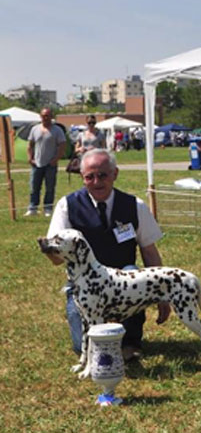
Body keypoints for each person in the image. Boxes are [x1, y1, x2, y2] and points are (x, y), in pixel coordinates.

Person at [46, 148, 170, 360]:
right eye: (89, 177)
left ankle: (130, 342)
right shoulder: (67, 206)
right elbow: (56, 261)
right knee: (81, 347)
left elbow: (149, 252)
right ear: (82, 177)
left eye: (102, 175)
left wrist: (163, 292)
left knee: (133, 272)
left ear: (115, 174)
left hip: (125, 282)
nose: (96, 182)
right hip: (84, 285)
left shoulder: (135, 206)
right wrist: (50, 250)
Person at [26, 108, 66, 217]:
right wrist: (30, 158)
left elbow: (62, 145)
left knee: (50, 187)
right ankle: (32, 208)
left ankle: (48, 208)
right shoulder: (35, 129)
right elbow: (30, 145)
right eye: (44, 116)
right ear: (40, 116)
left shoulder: (57, 130)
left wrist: (56, 159)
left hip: (50, 164)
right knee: (34, 187)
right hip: (36, 163)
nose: (45, 118)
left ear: (51, 117)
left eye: (48, 115)